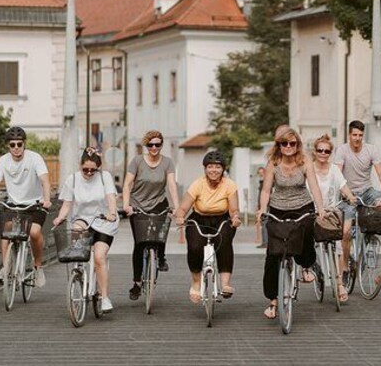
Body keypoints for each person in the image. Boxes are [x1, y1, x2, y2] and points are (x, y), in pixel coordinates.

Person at [257, 128, 326, 319]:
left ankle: (307, 265)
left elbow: (314, 187)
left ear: (297, 145)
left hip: (302, 206)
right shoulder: (273, 162)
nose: (288, 147)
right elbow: (266, 190)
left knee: (305, 234)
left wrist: (320, 209)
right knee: (272, 254)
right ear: (278, 145)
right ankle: (273, 300)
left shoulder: (305, 162)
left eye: (292, 143)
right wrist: (262, 208)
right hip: (278, 208)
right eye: (284, 143)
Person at [52, 148, 118, 312]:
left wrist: (112, 212)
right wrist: (60, 218)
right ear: (80, 166)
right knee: (77, 245)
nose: (89, 173)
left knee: (99, 257)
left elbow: (111, 197)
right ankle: (78, 273)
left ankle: (104, 297)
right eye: (85, 169)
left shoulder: (105, 177)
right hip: (82, 220)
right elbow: (67, 204)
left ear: (98, 168)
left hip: (103, 222)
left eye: (93, 170)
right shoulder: (72, 180)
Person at [0, 126, 52, 287]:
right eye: (12, 145)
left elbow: (45, 181)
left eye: (19, 144)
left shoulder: (35, 158)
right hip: (13, 204)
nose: (16, 148)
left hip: (35, 204)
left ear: (24, 144)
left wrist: (47, 199)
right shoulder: (3, 161)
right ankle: (6, 268)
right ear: (8, 146)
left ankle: (38, 267)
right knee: (6, 232)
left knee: (34, 232)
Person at [175, 150, 241, 303]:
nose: (214, 170)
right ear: (205, 168)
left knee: (225, 243)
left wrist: (236, 218)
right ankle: (196, 283)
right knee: (195, 247)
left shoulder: (229, 185)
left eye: (217, 167)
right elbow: (183, 208)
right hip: (199, 219)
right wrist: (180, 217)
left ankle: (225, 284)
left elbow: (233, 210)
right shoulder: (198, 184)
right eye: (210, 167)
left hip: (222, 219)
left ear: (223, 169)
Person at [333, 120, 381, 277]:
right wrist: (347, 195)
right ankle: (345, 267)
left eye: (360, 135)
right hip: (348, 194)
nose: (357, 138)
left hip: (367, 191)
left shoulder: (371, 150)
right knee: (346, 232)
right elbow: (337, 175)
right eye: (354, 135)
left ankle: (369, 240)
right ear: (349, 135)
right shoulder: (342, 150)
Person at [122, 130, 180, 300]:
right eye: (150, 145)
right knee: (140, 244)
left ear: (161, 145)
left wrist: (177, 207)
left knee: (159, 235)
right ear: (145, 146)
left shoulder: (167, 162)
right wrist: (126, 205)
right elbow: (127, 184)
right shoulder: (137, 161)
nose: (154, 148)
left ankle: (161, 257)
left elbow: (171, 185)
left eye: (157, 144)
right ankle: (137, 283)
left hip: (158, 203)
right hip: (137, 205)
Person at [312, 134, 355, 303]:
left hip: (331, 212)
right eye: (320, 150)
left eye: (327, 151)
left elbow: (343, 186)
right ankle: (311, 267)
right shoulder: (309, 169)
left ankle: (339, 284)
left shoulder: (334, 170)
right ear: (314, 152)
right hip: (314, 211)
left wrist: (351, 197)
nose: (323, 153)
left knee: (336, 245)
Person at [255, 166, 268, 248]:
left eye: (262, 173)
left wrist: (264, 206)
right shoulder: (261, 182)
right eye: (259, 173)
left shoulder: (267, 182)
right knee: (263, 224)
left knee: (265, 224)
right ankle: (265, 241)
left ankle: (265, 242)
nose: (261, 175)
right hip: (262, 206)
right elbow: (260, 196)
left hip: (267, 206)